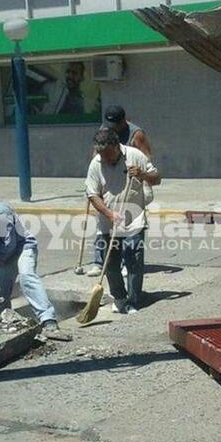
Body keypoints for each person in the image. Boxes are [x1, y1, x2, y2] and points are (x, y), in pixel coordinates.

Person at [0, 184, 71, 341]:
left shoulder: (0, 212)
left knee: (26, 277)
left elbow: (9, 247)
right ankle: (3, 323)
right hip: (2, 253)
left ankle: (49, 322)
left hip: (22, 247)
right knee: (0, 292)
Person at [85, 128, 161, 314]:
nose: (106, 159)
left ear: (117, 146)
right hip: (108, 222)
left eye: (108, 155)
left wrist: (142, 174)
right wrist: (109, 214)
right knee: (110, 263)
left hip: (134, 220)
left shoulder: (135, 156)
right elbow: (93, 194)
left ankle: (134, 299)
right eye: (102, 155)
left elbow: (157, 178)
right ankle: (119, 298)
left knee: (133, 260)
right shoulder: (96, 163)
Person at [86, 105, 154, 276]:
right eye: (109, 124)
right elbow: (96, 154)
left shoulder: (136, 133)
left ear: (123, 121)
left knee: (128, 222)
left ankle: (127, 262)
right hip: (108, 178)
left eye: (114, 124)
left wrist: (141, 175)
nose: (111, 127)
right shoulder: (104, 130)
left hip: (130, 180)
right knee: (104, 221)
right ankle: (100, 262)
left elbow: (147, 158)